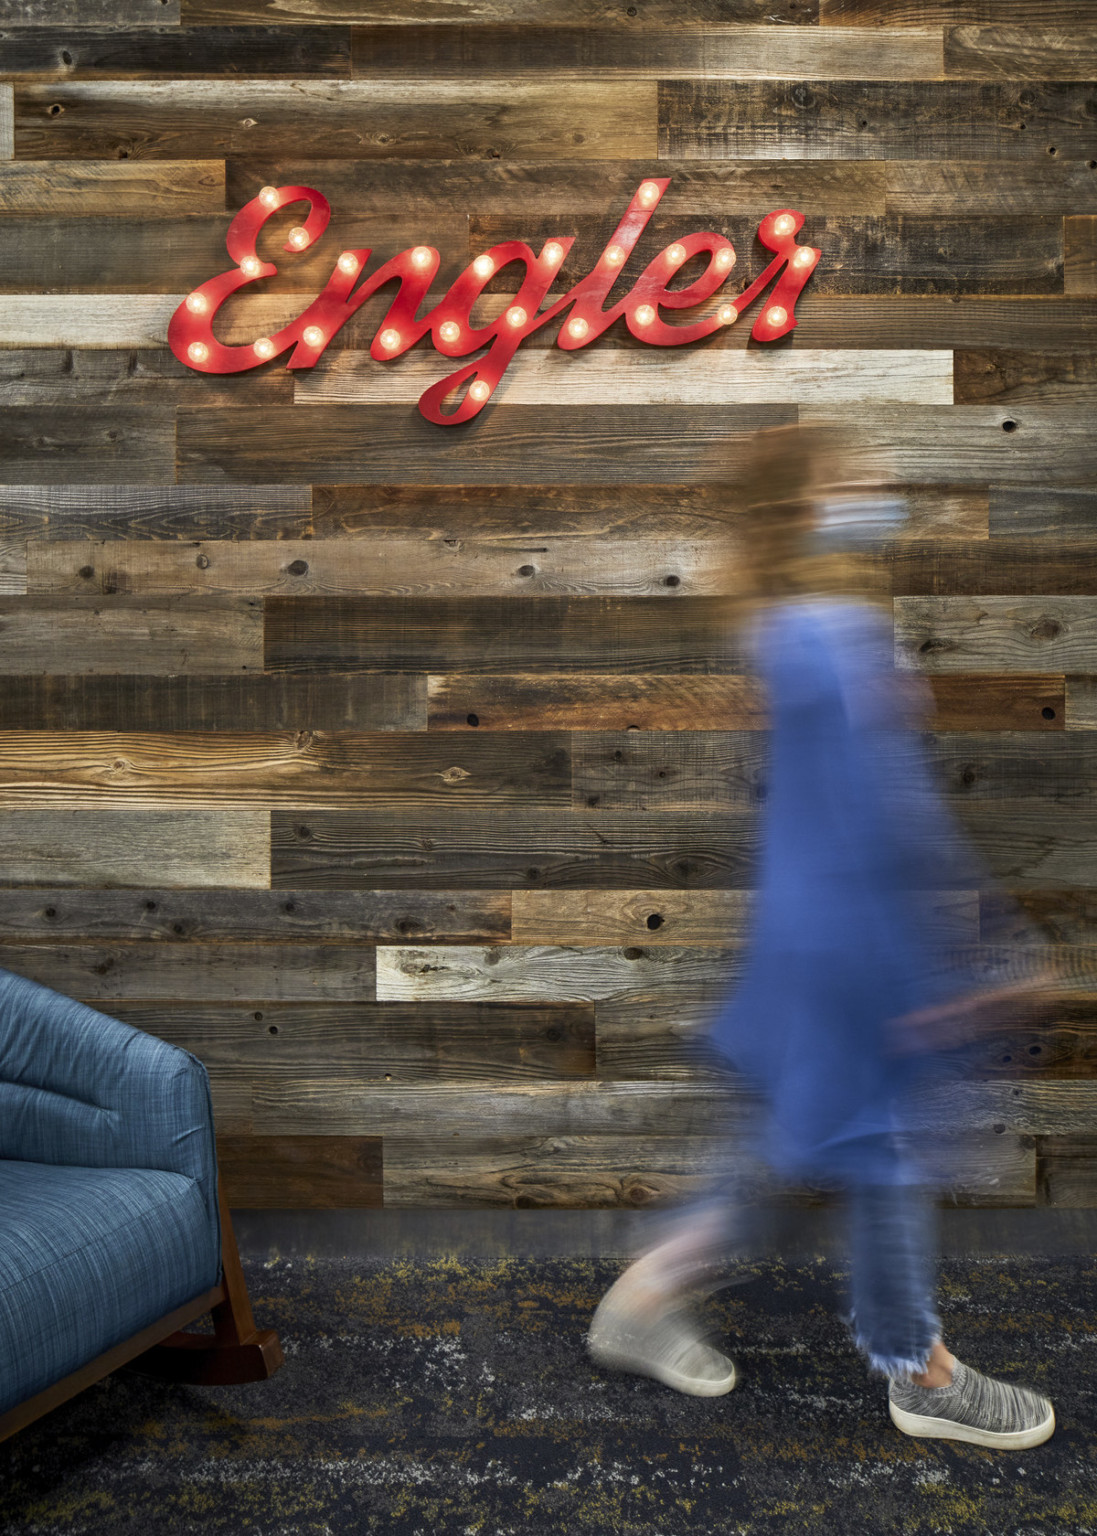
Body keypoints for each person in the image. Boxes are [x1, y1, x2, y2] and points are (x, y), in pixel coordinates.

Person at [587, 425, 1057, 1450]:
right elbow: (900, 818)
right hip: (848, 937)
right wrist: (990, 946)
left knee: (780, 1144)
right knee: (875, 1144)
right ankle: (917, 1371)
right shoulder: (831, 637)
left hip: (804, 930)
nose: (878, 491)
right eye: (854, 480)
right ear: (807, 507)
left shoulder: (789, 629)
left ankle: (639, 1301)